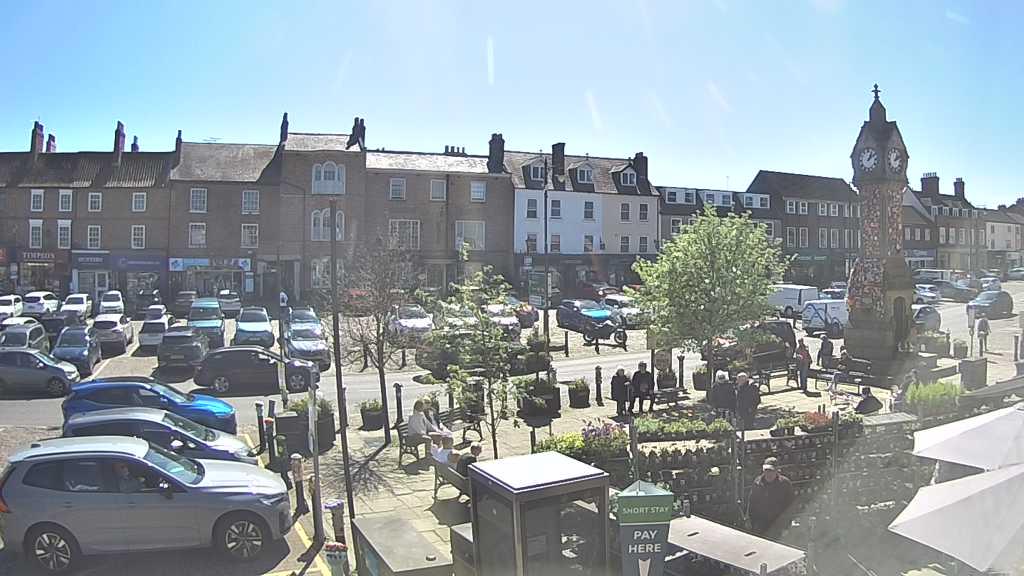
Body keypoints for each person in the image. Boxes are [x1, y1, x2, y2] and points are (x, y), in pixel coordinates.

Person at [747, 457, 795, 536]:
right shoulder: (757, 482)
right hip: (760, 525)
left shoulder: (785, 484)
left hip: (778, 526)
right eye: (766, 470)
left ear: (776, 471)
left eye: (770, 471)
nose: (768, 473)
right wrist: (751, 522)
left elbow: (790, 506)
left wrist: (786, 526)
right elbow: (752, 503)